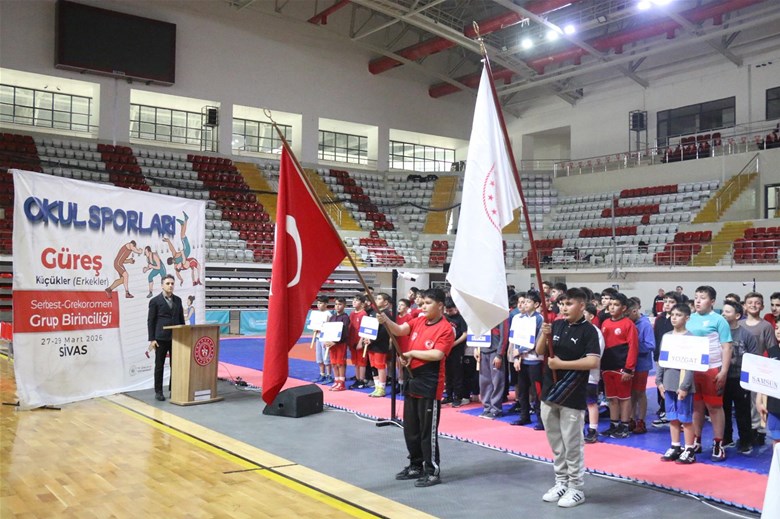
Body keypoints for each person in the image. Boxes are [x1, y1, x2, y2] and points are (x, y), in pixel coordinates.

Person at [377, 288, 454, 488]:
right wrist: (386, 321)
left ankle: (432, 470)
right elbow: (399, 330)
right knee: (411, 428)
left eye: (428, 303)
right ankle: (415, 465)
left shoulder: (446, 328)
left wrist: (411, 353)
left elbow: (437, 354)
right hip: (412, 378)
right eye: (422, 303)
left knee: (427, 431)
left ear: (440, 305)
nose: (423, 307)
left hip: (430, 381)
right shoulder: (418, 320)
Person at [537, 288, 601, 508]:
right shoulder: (555, 325)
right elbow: (540, 350)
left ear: (582, 306)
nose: (564, 308)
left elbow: (593, 361)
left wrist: (562, 364)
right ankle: (561, 482)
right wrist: (543, 334)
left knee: (572, 443)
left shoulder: (589, 331)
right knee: (556, 443)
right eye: (562, 304)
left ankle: (576, 487)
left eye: (569, 304)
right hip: (549, 391)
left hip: (572, 393)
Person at [687, 285, 732, 462]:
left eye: (703, 298)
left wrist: (724, 371)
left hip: (712, 369)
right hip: (692, 370)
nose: (698, 301)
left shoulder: (719, 320)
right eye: (696, 297)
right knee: (696, 407)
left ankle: (718, 443)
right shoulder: (689, 318)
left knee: (714, 407)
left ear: (712, 301)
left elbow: (726, 347)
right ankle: (696, 440)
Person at [656, 303, 697, 463]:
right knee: (672, 417)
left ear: (687, 318)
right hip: (668, 381)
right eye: (672, 315)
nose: (674, 318)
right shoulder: (667, 336)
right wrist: (659, 381)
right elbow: (662, 359)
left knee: (685, 418)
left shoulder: (691, 338)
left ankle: (689, 448)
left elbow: (691, 365)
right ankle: (675, 446)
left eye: (678, 315)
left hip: (683, 383)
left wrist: (685, 386)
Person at [599, 293, 639, 439]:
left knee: (624, 398)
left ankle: (625, 426)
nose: (612, 307)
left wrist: (629, 368)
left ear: (623, 308)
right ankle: (614, 424)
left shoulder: (628, 324)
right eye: (610, 305)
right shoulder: (605, 323)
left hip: (622, 368)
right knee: (611, 398)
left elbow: (633, 347)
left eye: (616, 305)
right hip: (607, 366)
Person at [721, 300, 757, 453]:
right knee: (723, 410)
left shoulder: (746, 335)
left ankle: (745, 441)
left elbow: (754, 358)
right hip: (722, 378)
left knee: (742, 412)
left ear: (737, 315)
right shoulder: (718, 333)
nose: (723, 314)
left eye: (727, 312)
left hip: (740, 380)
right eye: (723, 311)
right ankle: (726, 437)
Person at [742, 291, 777, 446]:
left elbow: (771, 349)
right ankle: (746, 430)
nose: (753, 305)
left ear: (762, 306)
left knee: (757, 400)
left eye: (757, 303)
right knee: (744, 401)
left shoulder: (766, 326)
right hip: (741, 368)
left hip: (759, 369)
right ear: (744, 306)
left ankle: (759, 430)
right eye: (750, 303)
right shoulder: (740, 325)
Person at [147, 274, 185, 401]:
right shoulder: (155, 301)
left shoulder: (178, 300)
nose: (170, 286)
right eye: (168, 283)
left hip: (176, 338)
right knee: (159, 365)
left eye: (172, 283)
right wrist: (152, 339)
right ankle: (158, 391)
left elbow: (181, 319)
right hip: (160, 339)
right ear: (162, 285)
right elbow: (151, 321)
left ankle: (173, 389)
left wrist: (183, 334)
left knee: (176, 365)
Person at [511, 292, 544, 429]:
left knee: (537, 392)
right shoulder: (518, 318)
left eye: (528, 302)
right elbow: (515, 338)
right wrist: (516, 357)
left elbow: (538, 341)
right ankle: (524, 416)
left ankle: (541, 420)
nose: (524, 304)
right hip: (522, 360)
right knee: (522, 390)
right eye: (523, 302)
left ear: (536, 304)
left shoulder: (539, 319)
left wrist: (521, 350)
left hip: (535, 360)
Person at [652, 292, 683, 427]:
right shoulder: (660, 319)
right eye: (665, 301)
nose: (667, 304)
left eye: (671, 302)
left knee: (673, 385)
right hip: (661, 356)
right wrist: (656, 355)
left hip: (675, 358)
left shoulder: (678, 320)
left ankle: (676, 413)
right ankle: (663, 410)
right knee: (660, 383)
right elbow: (657, 338)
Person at [627, 297, 655, 435]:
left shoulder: (645, 324)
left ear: (634, 311)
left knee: (640, 392)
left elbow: (651, 345)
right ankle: (631, 418)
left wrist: (634, 346)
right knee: (631, 393)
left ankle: (641, 420)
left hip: (642, 364)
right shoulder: (629, 323)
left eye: (627, 314)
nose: (625, 318)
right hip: (629, 363)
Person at [476, 319, 509, 420]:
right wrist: (476, 348)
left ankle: (496, 409)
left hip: (495, 351)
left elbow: (504, 336)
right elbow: (475, 331)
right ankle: (487, 407)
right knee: (484, 381)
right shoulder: (480, 315)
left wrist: (499, 354)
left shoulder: (501, 315)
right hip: (483, 350)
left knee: (497, 381)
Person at [582, 303, 606, 443]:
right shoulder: (577, 329)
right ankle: (578, 428)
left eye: (584, 313)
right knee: (578, 403)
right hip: (575, 373)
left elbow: (598, 354)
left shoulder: (596, 332)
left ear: (591, 316)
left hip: (590, 373)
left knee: (591, 402)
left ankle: (593, 430)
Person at [363, 292, 394, 398]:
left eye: (379, 299)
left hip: (380, 344)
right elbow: (368, 326)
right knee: (373, 366)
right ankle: (376, 387)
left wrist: (372, 340)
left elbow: (384, 332)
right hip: (371, 344)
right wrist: (365, 337)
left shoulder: (386, 314)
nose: (376, 300)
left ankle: (382, 388)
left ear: (386, 302)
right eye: (377, 298)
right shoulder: (373, 312)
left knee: (380, 366)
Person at [756, 324, 780, 446]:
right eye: (777, 328)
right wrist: (759, 400)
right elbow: (763, 378)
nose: (778, 331)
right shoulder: (770, 352)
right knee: (776, 438)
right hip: (774, 404)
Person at [164, 212, 202, 287]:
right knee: (182, 235)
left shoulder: (174, 257)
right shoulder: (176, 264)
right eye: (173, 261)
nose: (174, 261)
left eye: (173, 260)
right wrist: (181, 279)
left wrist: (168, 241)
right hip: (186, 250)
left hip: (185, 251)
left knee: (182, 235)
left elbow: (172, 249)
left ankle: (182, 224)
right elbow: (177, 273)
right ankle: (186, 220)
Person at [444, 298, 468, 407]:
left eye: (451, 310)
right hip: (446, 350)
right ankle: (448, 395)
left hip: (457, 350)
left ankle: (458, 397)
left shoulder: (460, 318)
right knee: (447, 374)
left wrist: (454, 344)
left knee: (457, 374)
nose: (449, 312)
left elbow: (465, 334)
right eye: (447, 310)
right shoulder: (444, 318)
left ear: (456, 308)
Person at [324, 297, 351, 391]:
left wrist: (335, 342)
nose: (337, 306)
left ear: (344, 305)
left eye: (340, 304)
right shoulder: (332, 317)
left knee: (340, 363)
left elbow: (345, 332)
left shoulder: (345, 317)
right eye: (336, 304)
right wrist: (326, 340)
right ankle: (336, 380)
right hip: (331, 344)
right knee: (334, 363)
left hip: (340, 344)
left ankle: (341, 383)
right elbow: (328, 330)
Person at [348, 295, 368, 389]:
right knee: (355, 362)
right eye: (353, 300)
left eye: (357, 300)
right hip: (352, 340)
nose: (354, 302)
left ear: (362, 304)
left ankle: (361, 380)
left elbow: (364, 329)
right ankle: (357, 378)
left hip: (359, 340)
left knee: (361, 362)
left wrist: (361, 342)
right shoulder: (352, 314)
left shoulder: (363, 314)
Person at [311, 296, 333, 384]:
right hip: (317, 337)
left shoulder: (328, 314)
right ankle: (322, 374)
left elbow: (329, 327)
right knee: (319, 357)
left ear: (326, 304)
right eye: (318, 303)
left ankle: (329, 375)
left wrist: (321, 329)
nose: (318, 305)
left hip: (325, 338)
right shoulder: (316, 314)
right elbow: (313, 324)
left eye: (321, 303)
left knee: (326, 357)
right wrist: (314, 328)